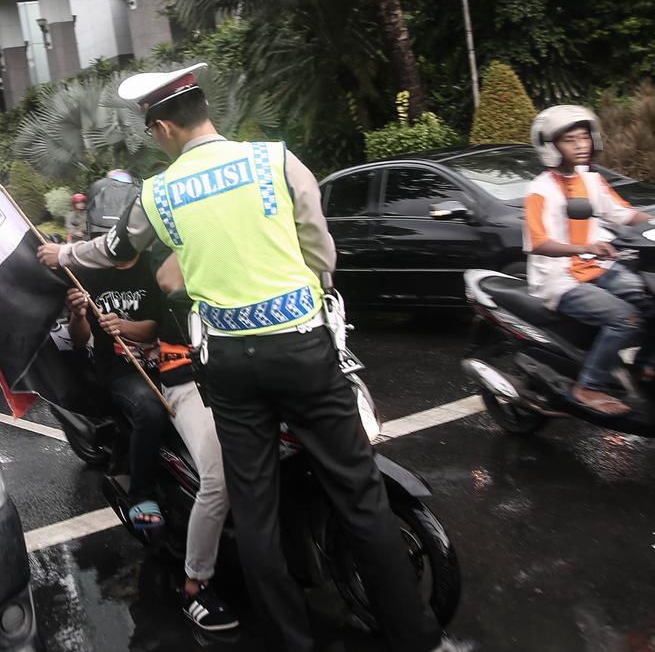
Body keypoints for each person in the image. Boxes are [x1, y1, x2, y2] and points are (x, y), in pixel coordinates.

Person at [37, 63, 457, 652]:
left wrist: (63, 252)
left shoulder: (159, 192)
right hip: (304, 351)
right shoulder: (276, 161)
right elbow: (319, 248)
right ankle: (418, 638)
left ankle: (290, 639)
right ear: (205, 112)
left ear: (161, 128)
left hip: (230, 367)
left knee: (255, 510)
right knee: (361, 500)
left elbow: (112, 250)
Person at [525, 105, 655, 415]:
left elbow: (623, 213)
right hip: (560, 279)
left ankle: (646, 365)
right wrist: (585, 247)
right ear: (551, 146)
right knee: (625, 319)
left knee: (652, 299)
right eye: (571, 140)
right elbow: (538, 242)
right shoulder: (540, 190)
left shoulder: (591, 179)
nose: (581, 145)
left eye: (584, 137)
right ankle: (588, 386)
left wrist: (651, 222)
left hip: (601, 267)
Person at [149, 246, 238, 632]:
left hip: (244, 372)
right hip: (187, 379)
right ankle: (194, 585)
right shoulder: (170, 244)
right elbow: (169, 281)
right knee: (218, 479)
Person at [64, 258, 168, 531]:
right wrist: (77, 314)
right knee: (150, 408)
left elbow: (154, 326)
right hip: (120, 371)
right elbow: (78, 338)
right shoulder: (89, 275)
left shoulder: (154, 265)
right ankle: (141, 496)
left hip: (167, 362)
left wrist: (123, 326)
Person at [87, 169, 137, 236]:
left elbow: (90, 203)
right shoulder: (133, 188)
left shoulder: (98, 184)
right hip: (123, 226)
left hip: (98, 226)